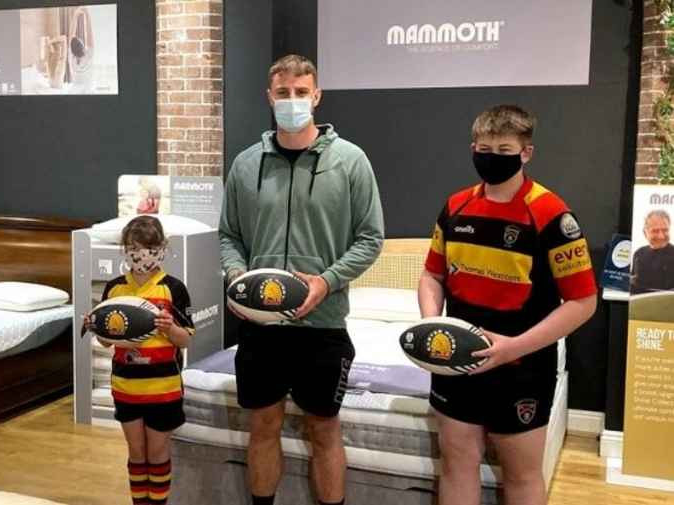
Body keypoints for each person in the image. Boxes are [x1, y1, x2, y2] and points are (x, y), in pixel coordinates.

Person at [219, 54, 384, 505]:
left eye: (300, 92)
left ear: (317, 96)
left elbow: (370, 239)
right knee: (262, 426)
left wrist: (326, 282)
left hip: (324, 325)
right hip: (260, 328)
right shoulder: (246, 165)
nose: (292, 101)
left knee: (325, 429)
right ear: (269, 97)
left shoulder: (351, 162)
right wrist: (237, 278)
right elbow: (229, 235)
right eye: (283, 93)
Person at [418, 105, 597, 505]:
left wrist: (512, 348)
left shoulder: (552, 215)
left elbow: (583, 302)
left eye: (504, 148)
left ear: (526, 152)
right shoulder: (455, 206)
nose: (492, 156)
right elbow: (432, 275)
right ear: (472, 148)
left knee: (521, 477)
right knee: (457, 464)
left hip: (523, 366)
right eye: (484, 147)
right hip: (457, 359)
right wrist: (431, 325)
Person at [87, 215, 195, 505]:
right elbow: (105, 341)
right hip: (126, 387)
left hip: (164, 389)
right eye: (133, 247)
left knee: (158, 454)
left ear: (161, 248)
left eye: (147, 246)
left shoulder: (174, 288)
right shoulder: (115, 289)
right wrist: (98, 326)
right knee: (136, 454)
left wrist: (169, 327)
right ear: (125, 249)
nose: (140, 254)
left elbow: (186, 339)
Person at [629, 209, 674, 294]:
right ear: (645, 233)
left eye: (665, 230)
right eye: (655, 231)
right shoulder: (639, 254)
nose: (661, 236)